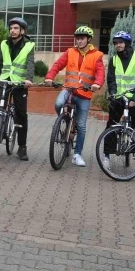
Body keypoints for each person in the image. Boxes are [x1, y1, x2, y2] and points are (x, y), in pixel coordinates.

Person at [44, 26, 104, 167]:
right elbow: (58, 65)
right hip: (69, 89)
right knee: (58, 104)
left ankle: (77, 154)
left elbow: (100, 73)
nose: (79, 40)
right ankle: (64, 119)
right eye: (77, 38)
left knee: (82, 126)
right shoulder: (70, 51)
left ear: (88, 39)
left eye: (82, 38)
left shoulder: (97, 55)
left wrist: (97, 84)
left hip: (84, 93)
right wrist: (49, 77)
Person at [0, 17, 35, 161]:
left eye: (16, 28)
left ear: (22, 31)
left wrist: (29, 79)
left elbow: (30, 64)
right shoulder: (4, 44)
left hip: (20, 84)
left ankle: (22, 147)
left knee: (21, 115)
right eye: (11, 28)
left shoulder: (29, 46)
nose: (12, 31)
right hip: (4, 81)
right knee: (0, 109)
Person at [103, 31, 135, 167]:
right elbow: (111, 79)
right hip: (118, 97)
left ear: (127, 43)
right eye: (116, 43)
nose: (118, 45)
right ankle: (107, 155)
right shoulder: (114, 59)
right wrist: (113, 93)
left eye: (121, 42)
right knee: (112, 123)